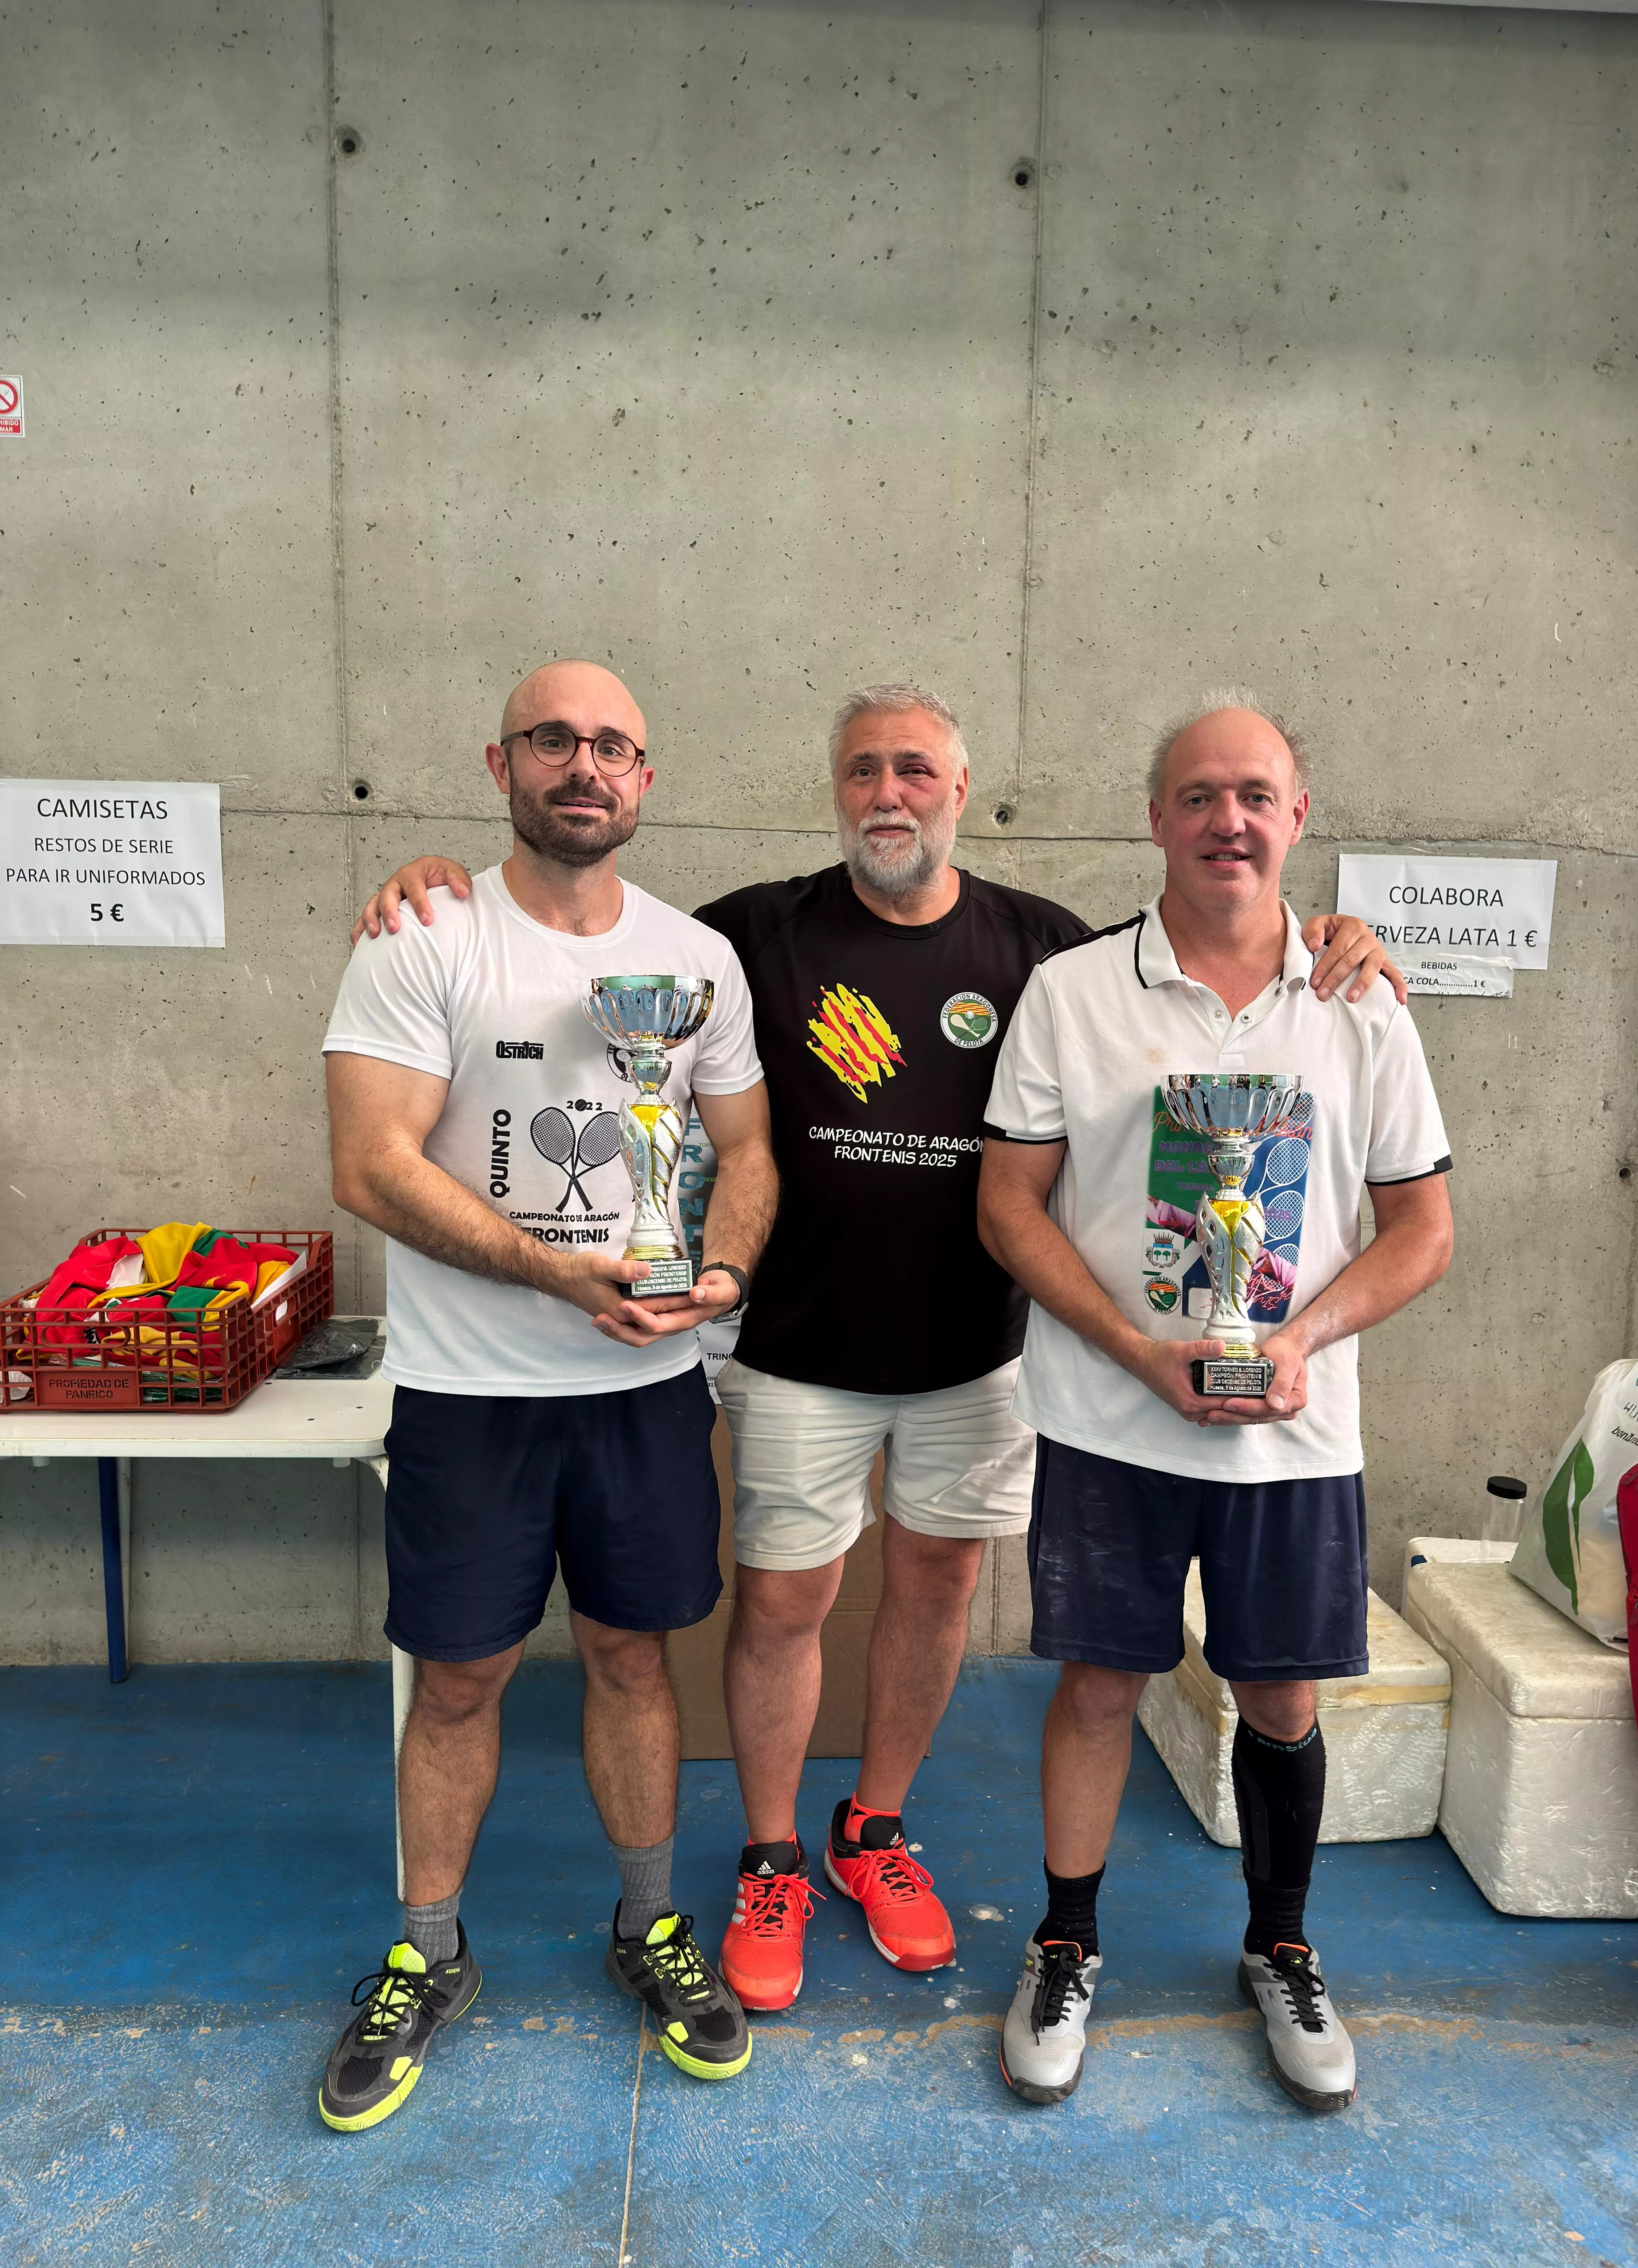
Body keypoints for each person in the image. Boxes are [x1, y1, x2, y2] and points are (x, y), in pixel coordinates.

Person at [355, 685, 1404, 2018]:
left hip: (983, 1357)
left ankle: (876, 1830)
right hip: (797, 1349)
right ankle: (775, 1854)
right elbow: (591, 931)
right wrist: (439, 878)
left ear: (963, 790)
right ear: (836, 791)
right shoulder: (750, 932)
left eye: (917, 770)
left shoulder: (1042, 947)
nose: (889, 794)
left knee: (935, 1593)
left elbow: (1200, 981)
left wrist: (1334, 941)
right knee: (786, 1606)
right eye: (863, 772)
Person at [317, 660, 778, 2132]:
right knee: (459, 1679)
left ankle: (646, 1924)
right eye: (557, 741)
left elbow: (748, 1150)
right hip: (471, 1393)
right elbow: (371, 1165)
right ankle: (430, 1952)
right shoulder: (422, 934)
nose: (587, 766)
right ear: (503, 759)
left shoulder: (697, 957)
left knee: (638, 1661)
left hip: (645, 1391)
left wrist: (720, 1266)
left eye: (617, 748)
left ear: (647, 781)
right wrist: (560, 1276)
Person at [977, 699, 1453, 2114]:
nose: (1227, 820)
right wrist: (1135, 1348)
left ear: (1298, 816)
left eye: (1255, 794)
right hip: (1111, 1419)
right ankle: (1065, 1943)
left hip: (1293, 1428)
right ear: (1157, 819)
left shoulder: (1362, 1005)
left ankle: (1282, 1944)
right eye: (1198, 796)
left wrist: (1302, 1339)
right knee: (1099, 1682)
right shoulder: (1071, 993)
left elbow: (1421, 1231)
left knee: (1283, 1694)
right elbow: (1009, 1208)